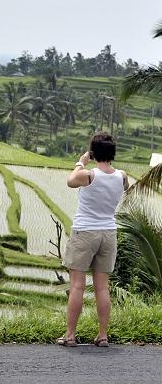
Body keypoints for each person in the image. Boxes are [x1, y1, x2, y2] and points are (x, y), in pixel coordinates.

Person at [57, 131, 129, 347]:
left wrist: (81, 161)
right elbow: (125, 189)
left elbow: (70, 181)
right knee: (102, 288)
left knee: (77, 285)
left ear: (94, 153)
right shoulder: (122, 176)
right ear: (113, 153)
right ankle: (103, 335)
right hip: (108, 233)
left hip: (85, 232)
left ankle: (70, 335)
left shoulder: (88, 175)